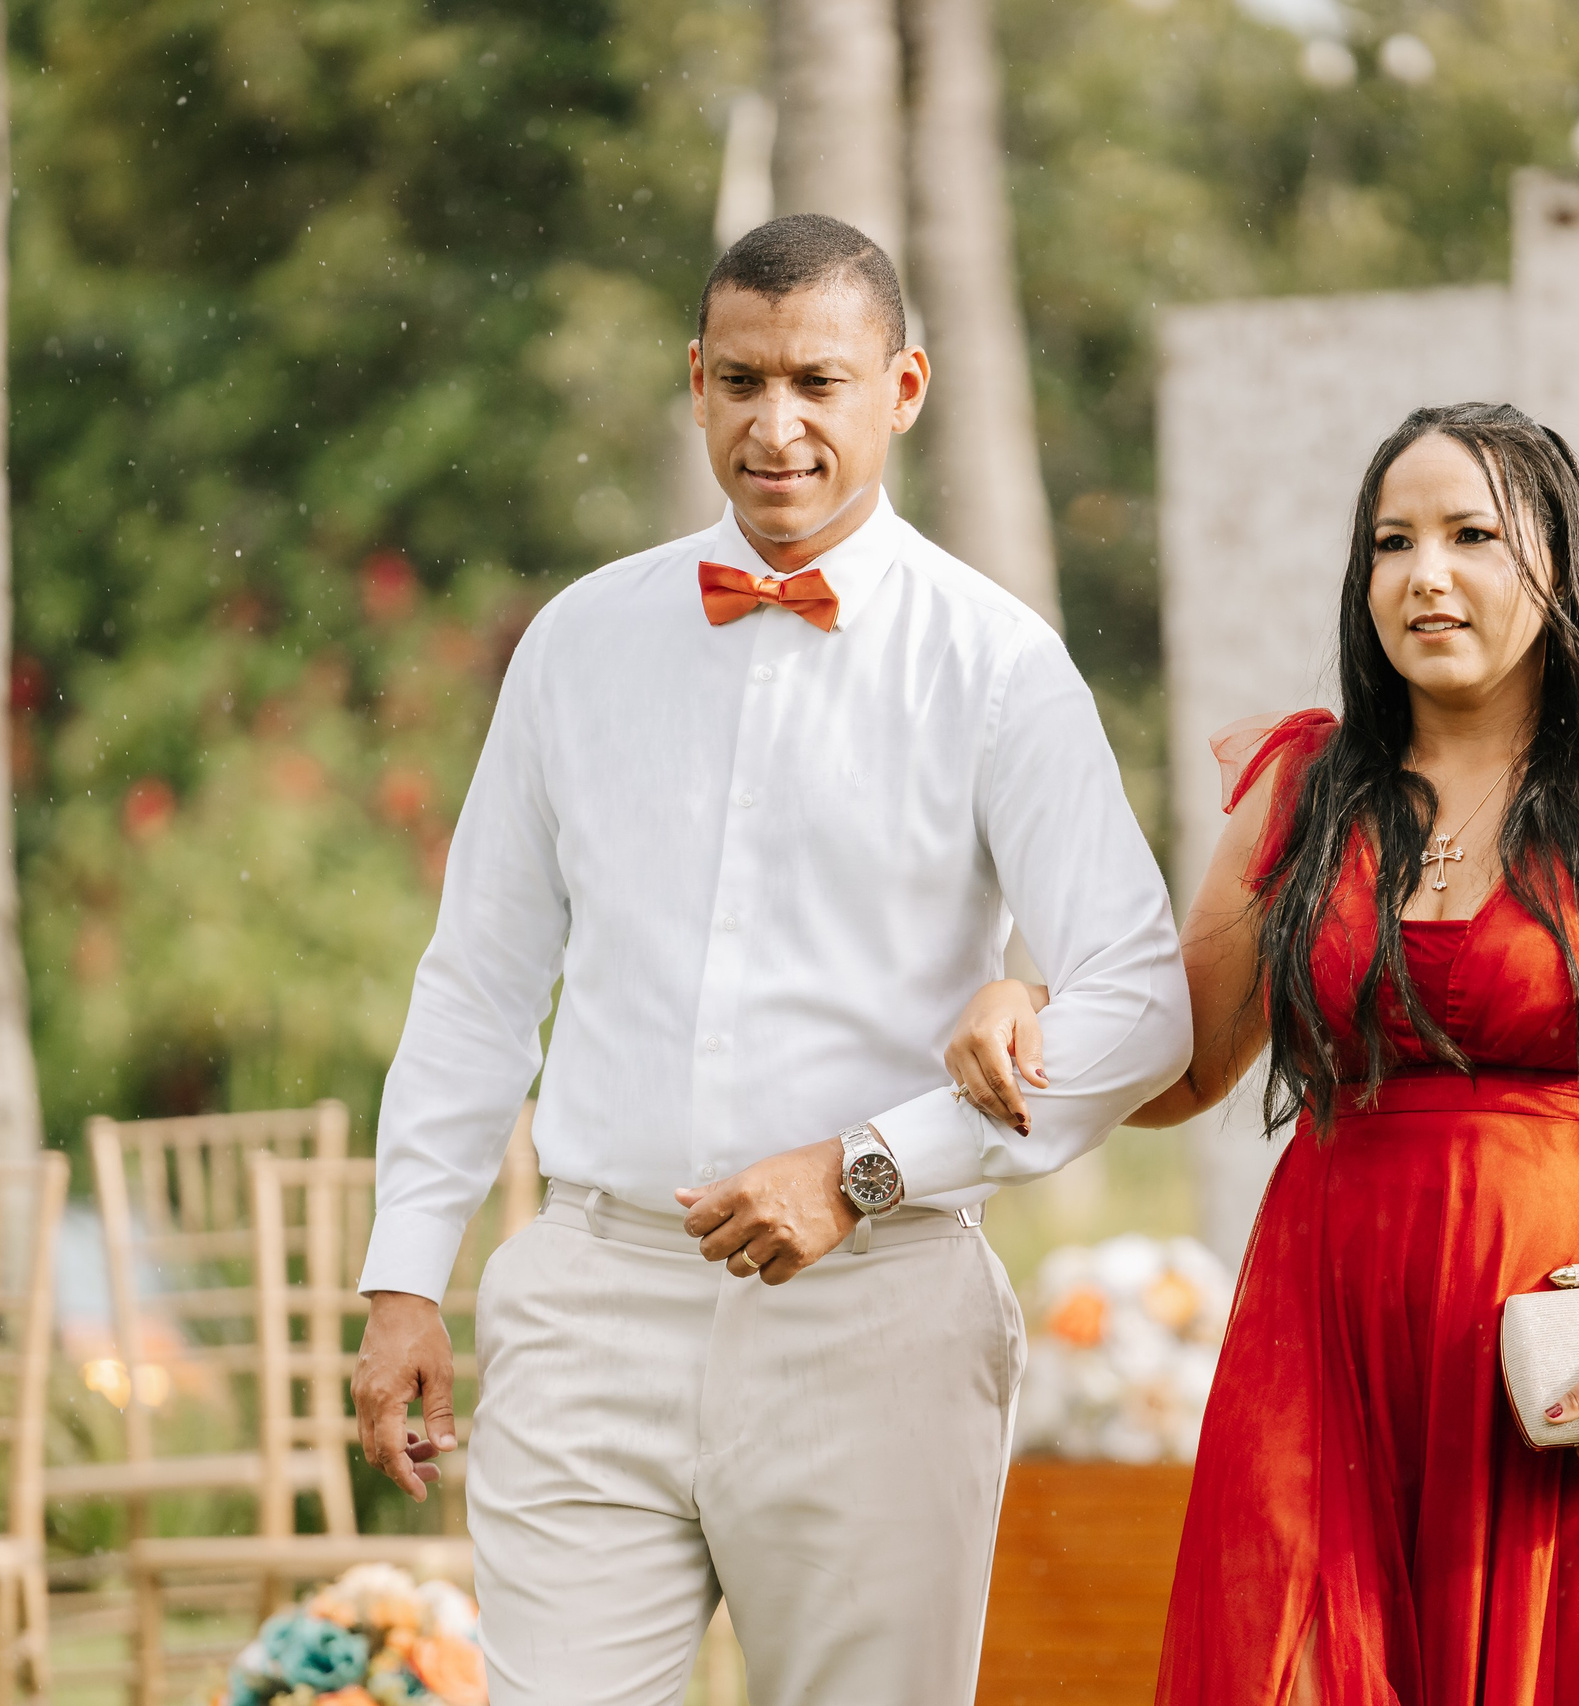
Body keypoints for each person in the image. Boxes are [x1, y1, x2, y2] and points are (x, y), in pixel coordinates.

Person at [347, 213, 1191, 1704]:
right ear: (694, 383)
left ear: (904, 388)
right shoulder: (579, 642)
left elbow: (1139, 1007)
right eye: (742, 380)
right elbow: (477, 978)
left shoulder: (996, 664)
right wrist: (406, 1273)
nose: (776, 424)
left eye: (819, 380)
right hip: (592, 1300)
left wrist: (865, 1164)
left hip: (881, 1311)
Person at [949, 402, 1579, 1702]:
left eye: (1472, 534)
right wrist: (1025, 1009)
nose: (1425, 574)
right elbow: (1177, 1063)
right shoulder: (1307, 790)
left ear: (1558, 561)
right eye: (1390, 540)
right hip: (1329, 1334)